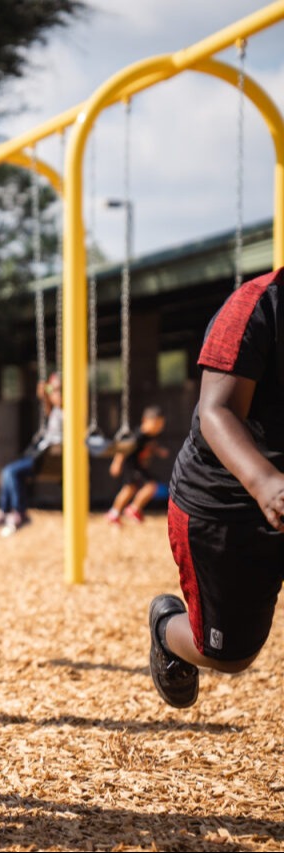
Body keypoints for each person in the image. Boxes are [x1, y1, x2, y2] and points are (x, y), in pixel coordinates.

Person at [148, 267, 284, 710]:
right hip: (229, 503)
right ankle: (168, 630)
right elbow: (217, 411)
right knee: (229, 655)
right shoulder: (255, 306)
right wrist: (266, 485)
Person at [0, 372, 62, 537]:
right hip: (42, 456)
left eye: (56, 390)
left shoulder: (70, 411)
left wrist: (51, 392)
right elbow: (50, 407)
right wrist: (45, 395)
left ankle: (19, 512)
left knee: (11, 472)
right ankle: (6, 512)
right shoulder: (56, 411)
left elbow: (60, 403)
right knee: (8, 472)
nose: (53, 393)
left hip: (51, 458)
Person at [105, 405, 168, 524]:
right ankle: (134, 509)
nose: (158, 428)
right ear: (145, 421)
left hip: (137, 466)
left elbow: (151, 446)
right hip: (132, 465)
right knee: (151, 485)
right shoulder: (138, 435)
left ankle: (114, 513)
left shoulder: (150, 436)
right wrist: (117, 463)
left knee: (129, 489)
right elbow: (123, 448)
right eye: (156, 424)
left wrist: (159, 451)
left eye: (160, 425)